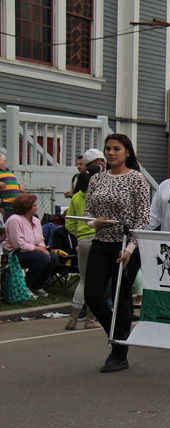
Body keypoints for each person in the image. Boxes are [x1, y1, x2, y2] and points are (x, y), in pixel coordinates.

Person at [83, 134, 150, 373]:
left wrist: (131, 248)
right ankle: (118, 332)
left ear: (127, 153)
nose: (111, 153)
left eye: (116, 149)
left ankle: (119, 353)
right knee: (92, 295)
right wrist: (94, 224)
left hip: (126, 246)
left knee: (122, 298)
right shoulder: (96, 179)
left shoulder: (137, 179)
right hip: (101, 243)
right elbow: (88, 212)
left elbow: (142, 218)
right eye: (108, 149)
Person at [64, 168, 102, 330]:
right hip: (98, 237)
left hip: (83, 240)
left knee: (83, 280)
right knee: (98, 281)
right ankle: (90, 320)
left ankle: (72, 319)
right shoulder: (98, 196)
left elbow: (69, 223)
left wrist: (79, 234)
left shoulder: (76, 198)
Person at [2, 194, 60, 299]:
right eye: (34, 205)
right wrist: (40, 250)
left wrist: (42, 248)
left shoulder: (36, 221)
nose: (37, 207)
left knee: (54, 258)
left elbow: (40, 240)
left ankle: (37, 286)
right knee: (42, 258)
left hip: (32, 251)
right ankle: (26, 286)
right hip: (15, 253)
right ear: (27, 207)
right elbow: (18, 244)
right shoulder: (14, 220)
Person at [0, 154, 25, 220]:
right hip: (6, 205)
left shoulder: (9, 172)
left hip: (16, 204)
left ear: (4, 161)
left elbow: (11, 182)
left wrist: (19, 185)